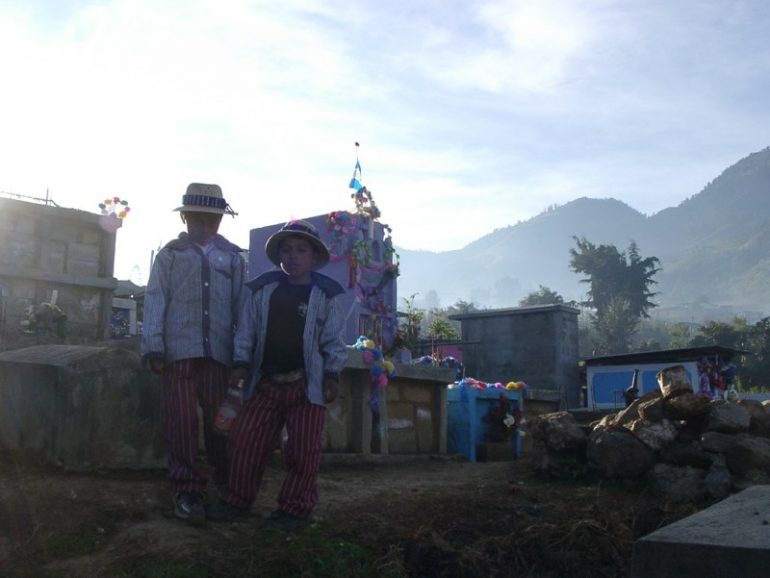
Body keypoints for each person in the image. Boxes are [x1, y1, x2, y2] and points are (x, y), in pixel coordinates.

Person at [207, 219, 347, 530]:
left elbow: (333, 342)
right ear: (278, 256)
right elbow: (246, 331)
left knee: (303, 450)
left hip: (305, 386)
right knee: (246, 442)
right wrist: (241, 363)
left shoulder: (325, 296)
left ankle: (295, 510)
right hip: (265, 383)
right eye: (286, 250)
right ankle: (236, 500)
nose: (293, 256)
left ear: (313, 257)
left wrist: (331, 375)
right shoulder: (261, 291)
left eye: (301, 250)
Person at [141, 183, 246, 523]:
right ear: (185, 217)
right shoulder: (171, 255)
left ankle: (226, 480)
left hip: (219, 354)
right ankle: (186, 487)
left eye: (211, 220)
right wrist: (154, 346)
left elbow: (242, 309)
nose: (204, 225)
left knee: (223, 422)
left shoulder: (232, 258)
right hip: (179, 352)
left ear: (220, 221)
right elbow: (156, 300)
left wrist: (242, 355)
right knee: (181, 421)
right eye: (198, 218)